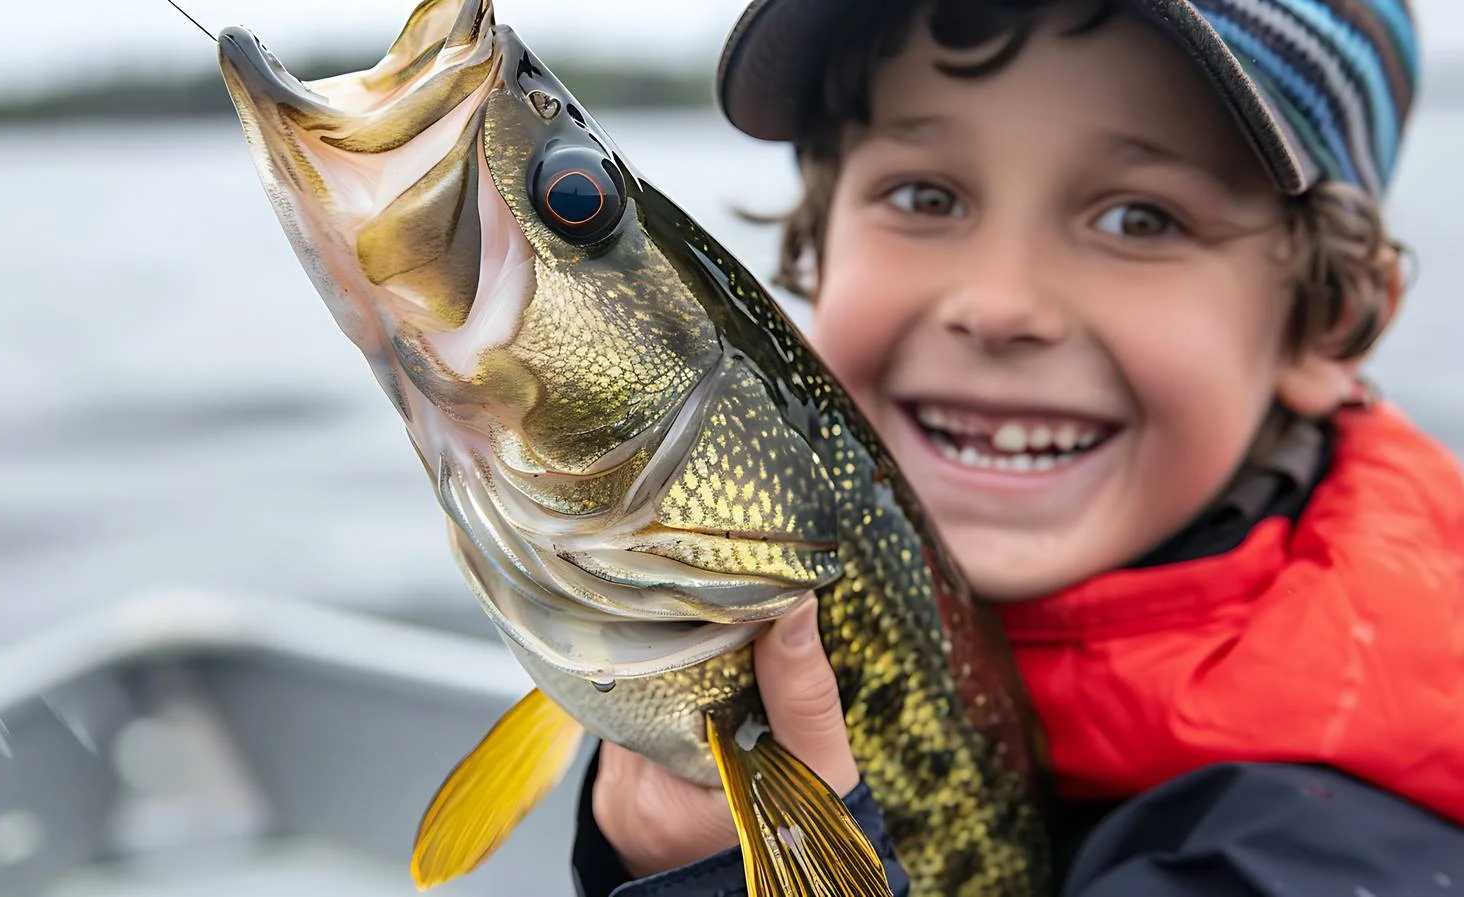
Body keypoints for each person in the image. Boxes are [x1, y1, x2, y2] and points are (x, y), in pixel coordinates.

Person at [569, 0, 1464, 895]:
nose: (998, 305)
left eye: (1140, 220)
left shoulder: (1316, 852)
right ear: (820, 240)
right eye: (926, 197)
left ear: (1326, 326)